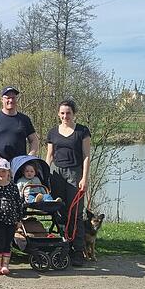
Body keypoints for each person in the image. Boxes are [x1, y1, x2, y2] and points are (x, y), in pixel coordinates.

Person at [46, 99, 92, 267]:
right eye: (62, 113)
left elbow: (86, 156)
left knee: (76, 214)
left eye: (68, 113)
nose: (65, 116)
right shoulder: (52, 132)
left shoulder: (82, 131)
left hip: (75, 173)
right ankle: (61, 248)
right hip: (56, 174)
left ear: (74, 114)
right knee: (60, 213)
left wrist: (84, 178)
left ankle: (78, 251)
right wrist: (44, 175)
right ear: (58, 114)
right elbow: (49, 155)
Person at [0, 87, 39, 163]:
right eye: (7, 98)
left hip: (20, 164)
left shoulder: (24, 119)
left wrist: (30, 156)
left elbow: (34, 140)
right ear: (2, 100)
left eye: (13, 98)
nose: (10, 100)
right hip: (0, 164)